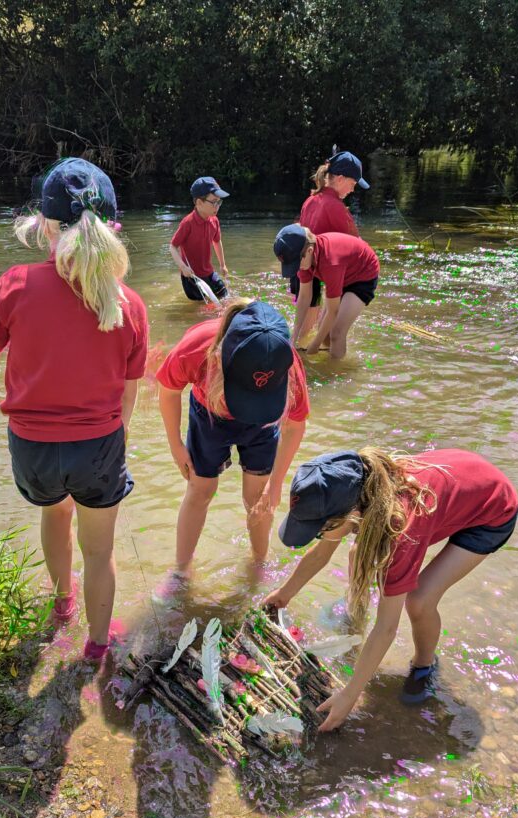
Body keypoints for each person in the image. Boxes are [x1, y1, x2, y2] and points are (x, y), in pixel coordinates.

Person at [0, 158, 148, 662]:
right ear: (113, 227)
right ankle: (95, 647)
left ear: (45, 224)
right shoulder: (128, 303)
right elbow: (129, 392)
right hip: (99, 445)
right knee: (100, 552)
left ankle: (62, 603)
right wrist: (119, 439)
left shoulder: (15, 284)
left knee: (54, 511)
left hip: (33, 447)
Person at [264, 448, 518, 731]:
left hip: (491, 511)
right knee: (356, 554)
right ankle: (355, 614)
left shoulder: (401, 531)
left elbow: (387, 627)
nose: (320, 534)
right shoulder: (355, 485)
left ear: (353, 513)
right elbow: (320, 554)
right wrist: (284, 593)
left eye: (321, 528)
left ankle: (424, 666)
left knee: (419, 600)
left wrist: (351, 693)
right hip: (461, 482)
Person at [155, 299, 309, 597]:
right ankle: (181, 570)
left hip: (263, 425)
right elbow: (169, 389)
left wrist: (276, 483)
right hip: (210, 416)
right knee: (200, 489)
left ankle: (259, 563)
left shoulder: (284, 361)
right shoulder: (197, 348)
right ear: (218, 359)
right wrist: (175, 444)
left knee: (258, 497)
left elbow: (295, 426)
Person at [290, 150, 368, 336]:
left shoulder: (311, 200)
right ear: (340, 179)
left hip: (301, 269)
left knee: (301, 332)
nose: (352, 189)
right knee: (319, 332)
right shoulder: (336, 207)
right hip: (317, 270)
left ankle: (296, 349)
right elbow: (356, 245)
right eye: (352, 183)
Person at [274, 225, 379, 358]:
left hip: (363, 275)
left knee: (336, 333)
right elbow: (304, 297)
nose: (296, 268)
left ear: (310, 251)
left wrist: (314, 346)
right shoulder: (303, 258)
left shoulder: (330, 263)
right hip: (343, 271)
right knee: (324, 333)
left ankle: (334, 373)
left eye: (296, 263)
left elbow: (332, 311)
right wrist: (293, 337)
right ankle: (333, 354)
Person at [170, 177, 230, 302]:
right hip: (191, 277)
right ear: (199, 203)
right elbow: (173, 247)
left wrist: (222, 265)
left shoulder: (214, 220)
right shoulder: (188, 223)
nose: (217, 206)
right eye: (214, 202)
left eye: (219, 202)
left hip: (209, 272)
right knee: (203, 307)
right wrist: (183, 267)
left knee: (226, 297)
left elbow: (217, 241)